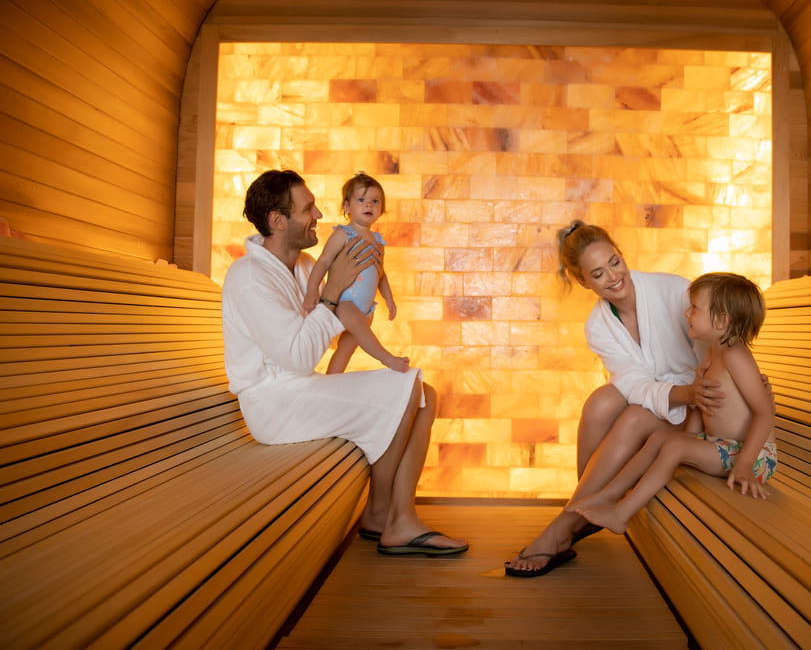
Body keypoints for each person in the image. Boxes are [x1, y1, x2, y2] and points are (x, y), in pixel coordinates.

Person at [222, 169, 467, 556]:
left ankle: (398, 515)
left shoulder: (301, 266)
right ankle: (384, 513)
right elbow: (301, 357)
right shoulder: (250, 277)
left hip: (302, 389)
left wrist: (359, 305)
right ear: (277, 220)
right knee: (403, 389)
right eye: (308, 208)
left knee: (426, 394)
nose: (319, 214)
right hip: (274, 404)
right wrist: (333, 292)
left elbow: (324, 330)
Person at [505, 220, 725, 577]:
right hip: (672, 397)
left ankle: (565, 525)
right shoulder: (598, 326)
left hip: (703, 404)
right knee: (599, 403)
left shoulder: (674, 292)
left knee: (634, 418)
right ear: (583, 282)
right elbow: (635, 384)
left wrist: (697, 392)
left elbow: (718, 347)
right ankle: (587, 508)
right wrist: (681, 393)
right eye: (598, 273)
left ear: (621, 255)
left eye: (614, 262)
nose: (613, 276)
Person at [568, 272, 777, 534]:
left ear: (722, 320)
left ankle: (622, 513)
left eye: (695, 309)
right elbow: (704, 404)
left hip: (754, 457)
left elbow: (765, 412)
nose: (687, 313)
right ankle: (608, 495)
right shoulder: (713, 353)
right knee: (659, 439)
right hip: (721, 447)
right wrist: (689, 438)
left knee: (673, 445)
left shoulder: (736, 357)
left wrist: (745, 465)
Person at [303, 172, 408, 374]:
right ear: (347, 207)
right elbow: (323, 261)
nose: (369, 205)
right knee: (360, 331)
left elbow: (380, 273)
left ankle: (331, 381)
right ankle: (387, 359)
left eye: (375, 201)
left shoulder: (378, 241)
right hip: (345, 303)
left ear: (381, 209)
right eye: (361, 200)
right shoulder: (343, 234)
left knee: (346, 349)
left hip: (365, 308)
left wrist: (389, 298)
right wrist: (311, 291)